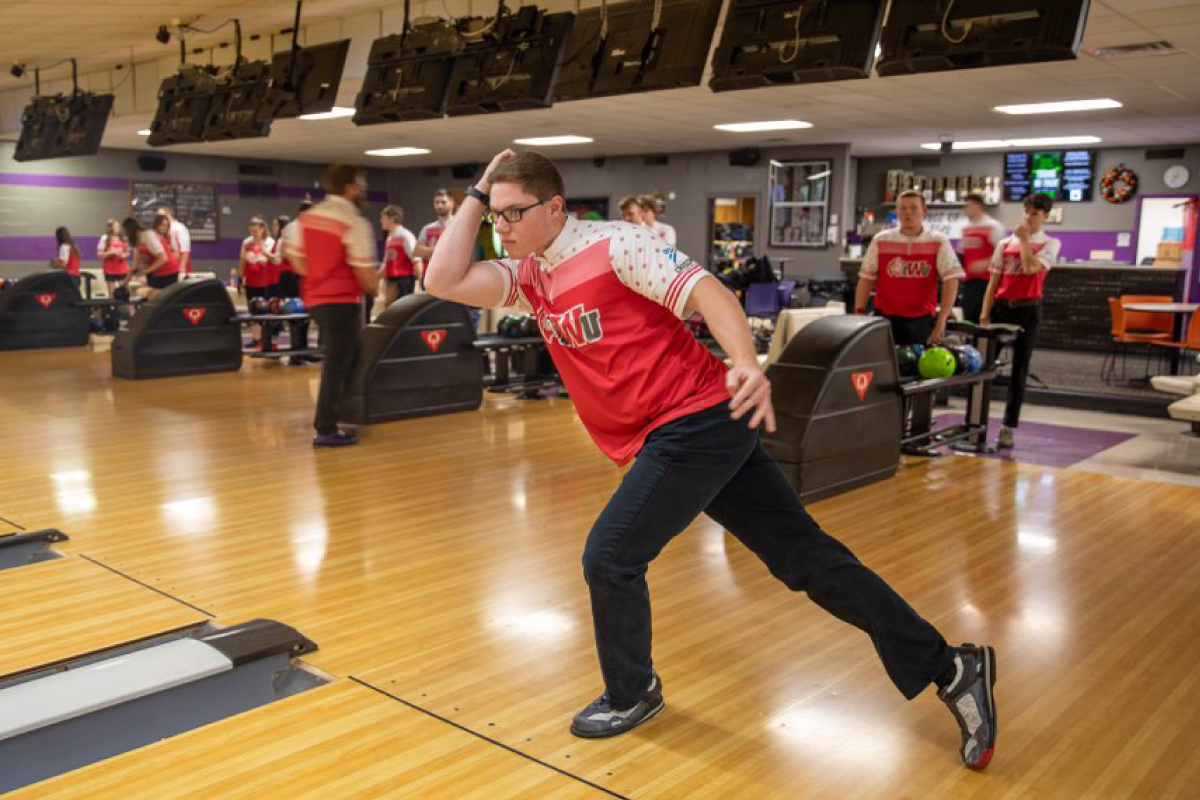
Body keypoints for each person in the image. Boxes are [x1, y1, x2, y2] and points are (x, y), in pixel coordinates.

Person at [424, 149, 998, 770]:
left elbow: (707, 289)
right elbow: (443, 279)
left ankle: (631, 691)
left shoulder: (616, 245)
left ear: (556, 206)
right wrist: (478, 191)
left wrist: (747, 362)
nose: (500, 227)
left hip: (695, 423)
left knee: (611, 557)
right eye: (495, 216)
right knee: (807, 560)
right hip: (685, 431)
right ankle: (951, 665)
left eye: (514, 213)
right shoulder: (529, 274)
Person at [283, 164, 378, 447]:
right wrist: (372, 287)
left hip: (314, 300)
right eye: (361, 184)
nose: (364, 189)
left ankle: (346, 414)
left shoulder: (307, 218)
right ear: (349, 188)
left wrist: (318, 275)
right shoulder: (355, 222)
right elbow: (365, 274)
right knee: (337, 365)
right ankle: (325, 429)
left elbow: (295, 258)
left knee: (347, 359)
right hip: (342, 302)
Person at [980, 194, 1061, 449]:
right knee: (983, 366)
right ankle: (976, 421)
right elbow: (993, 282)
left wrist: (1025, 240)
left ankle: (1008, 427)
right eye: (1026, 212)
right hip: (1003, 309)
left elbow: (1029, 268)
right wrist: (985, 314)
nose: (1028, 217)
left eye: (1035, 213)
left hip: (1029, 311)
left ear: (1045, 216)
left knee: (1019, 370)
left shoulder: (1051, 243)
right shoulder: (1004, 244)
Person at [854, 190, 963, 346]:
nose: (907, 212)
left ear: (924, 211)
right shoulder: (881, 240)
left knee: (916, 367)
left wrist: (941, 321)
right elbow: (866, 278)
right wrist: (858, 314)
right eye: (903, 208)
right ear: (896, 212)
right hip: (885, 318)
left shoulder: (938, 241)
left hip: (922, 320)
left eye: (913, 208)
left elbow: (951, 280)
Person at [957, 194, 1006, 324]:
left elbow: (1003, 253)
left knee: (986, 320)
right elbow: (961, 253)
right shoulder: (965, 228)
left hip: (987, 281)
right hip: (969, 282)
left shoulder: (993, 226)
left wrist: (985, 263)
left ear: (978, 206)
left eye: (968, 206)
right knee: (968, 319)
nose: (966, 209)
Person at [122, 216, 177, 299]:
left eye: (126, 232)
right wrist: (125, 282)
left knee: (159, 300)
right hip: (154, 273)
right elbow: (135, 265)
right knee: (154, 300)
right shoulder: (137, 241)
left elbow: (163, 258)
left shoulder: (148, 235)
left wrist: (147, 270)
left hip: (168, 271)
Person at [380, 205, 419, 307]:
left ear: (392, 218)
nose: (381, 221)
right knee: (390, 310)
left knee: (403, 310)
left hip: (404, 280)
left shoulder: (406, 235)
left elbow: (416, 258)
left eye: (383, 218)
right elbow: (387, 261)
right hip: (392, 280)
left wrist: (419, 282)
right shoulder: (389, 238)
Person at [413, 188, 456, 281]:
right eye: (437, 202)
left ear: (452, 203)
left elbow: (456, 251)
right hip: (430, 275)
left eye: (443, 202)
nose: (439, 205)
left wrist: (427, 251)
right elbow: (417, 251)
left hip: (452, 275)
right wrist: (440, 249)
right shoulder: (427, 228)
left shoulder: (458, 226)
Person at [96, 219, 130, 297]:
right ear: (110, 228)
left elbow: (127, 252)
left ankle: (130, 309)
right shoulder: (105, 238)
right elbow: (99, 255)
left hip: (122, 268)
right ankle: (112, 308)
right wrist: (110, 252)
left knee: (125, 292)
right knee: (112, 293)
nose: (118, 228)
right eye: (115, 226)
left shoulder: (123, 239)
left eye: (119, 226)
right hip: (110, 269)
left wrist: (123, 255)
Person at [157, 206, 192, 275]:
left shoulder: (179, 228)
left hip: (179, 265)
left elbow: (185, 249)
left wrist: (182, 266)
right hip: (169, 267)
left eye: (160, 215)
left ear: (168, 215)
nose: (159, 218)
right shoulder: (163, 229)